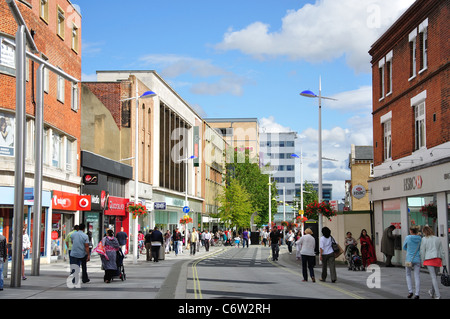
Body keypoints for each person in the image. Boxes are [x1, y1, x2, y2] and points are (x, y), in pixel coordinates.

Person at [420, 225, 446, 299]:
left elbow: (422, 251)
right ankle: (432, 291)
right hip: (437, 259)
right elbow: (442, 251)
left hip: (428, 259)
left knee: (433, 277)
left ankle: (438, 295)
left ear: (424, 232)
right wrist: (444, 263)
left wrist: (422, 261)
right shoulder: (437, 239)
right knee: (434, 277)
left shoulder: (424, 239)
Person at [402, 226, 421, 299]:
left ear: (410, 231)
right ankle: (417, 293)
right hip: (417, 259)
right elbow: (420, 247)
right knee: (417, 276)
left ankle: (410, 291)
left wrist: (409, 249)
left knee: (408, 274)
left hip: (409, 259)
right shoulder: (420, 238)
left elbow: (404, 247)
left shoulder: (408, 237)